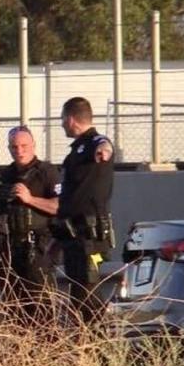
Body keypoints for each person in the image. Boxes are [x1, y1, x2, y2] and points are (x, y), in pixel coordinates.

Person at [53, 97, 115, 322]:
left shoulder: (92, 143)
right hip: (74, 235)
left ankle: (100, 345)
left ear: (70, 119)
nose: (61, 125)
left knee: (88, 290)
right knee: (79, 292)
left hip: (90, 238)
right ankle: (88, 342)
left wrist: (104, 151)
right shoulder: (76, 150)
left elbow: (104, 144)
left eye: (62, 119)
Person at [0, 125, 60, 315]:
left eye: (24, 146)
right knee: (13, 308)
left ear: (33, 145)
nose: (19, 151)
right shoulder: (6, 175)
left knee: (41, 309)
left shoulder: (47, 172)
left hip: (37, 249)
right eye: (14, 147)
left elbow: (59, 206)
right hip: (9, 250)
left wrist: (30, 199)